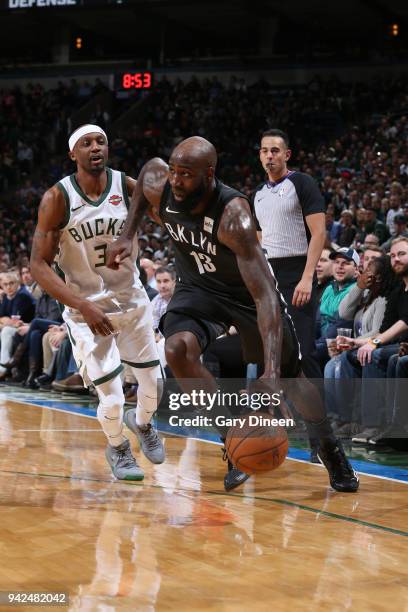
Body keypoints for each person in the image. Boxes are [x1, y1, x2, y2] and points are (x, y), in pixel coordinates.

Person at [106, 135, 358, 494]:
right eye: (174, 172)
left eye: (187, 175)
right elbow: (146, 173)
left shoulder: (233, 215)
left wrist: (270, 373)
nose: (176, 181)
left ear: (209, 174)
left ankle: (330, 448)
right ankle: (232, 439)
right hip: (197, 289)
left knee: (293, 379)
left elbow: (266, 297)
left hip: (246, 295)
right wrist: (128, 234)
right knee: (177, 350)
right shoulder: (161, 183)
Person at [30, 124, 164, 481]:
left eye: (101, 141)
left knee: (154, 386)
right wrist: (84, 307)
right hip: (85, 308)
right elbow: (37, 264)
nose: (95, 148)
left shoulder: (127, 185)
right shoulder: (57, 198)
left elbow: (164, 215)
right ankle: (118, 448)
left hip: (132, 300)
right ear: (73, 154)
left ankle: (144, 425)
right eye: (86, 143)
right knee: (114, 397)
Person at [254, 129, 326, 379]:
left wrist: (307, 278)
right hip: (269, 276)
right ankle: (284, 414)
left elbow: (319, 233)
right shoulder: (258, 194)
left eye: (275, 151)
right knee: (275, 353)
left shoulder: (302, 183)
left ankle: (321, 417)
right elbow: (259, 239)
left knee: (303, 351)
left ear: (287, 154)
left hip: (297, 272)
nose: (269, 156)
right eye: (264, 151)